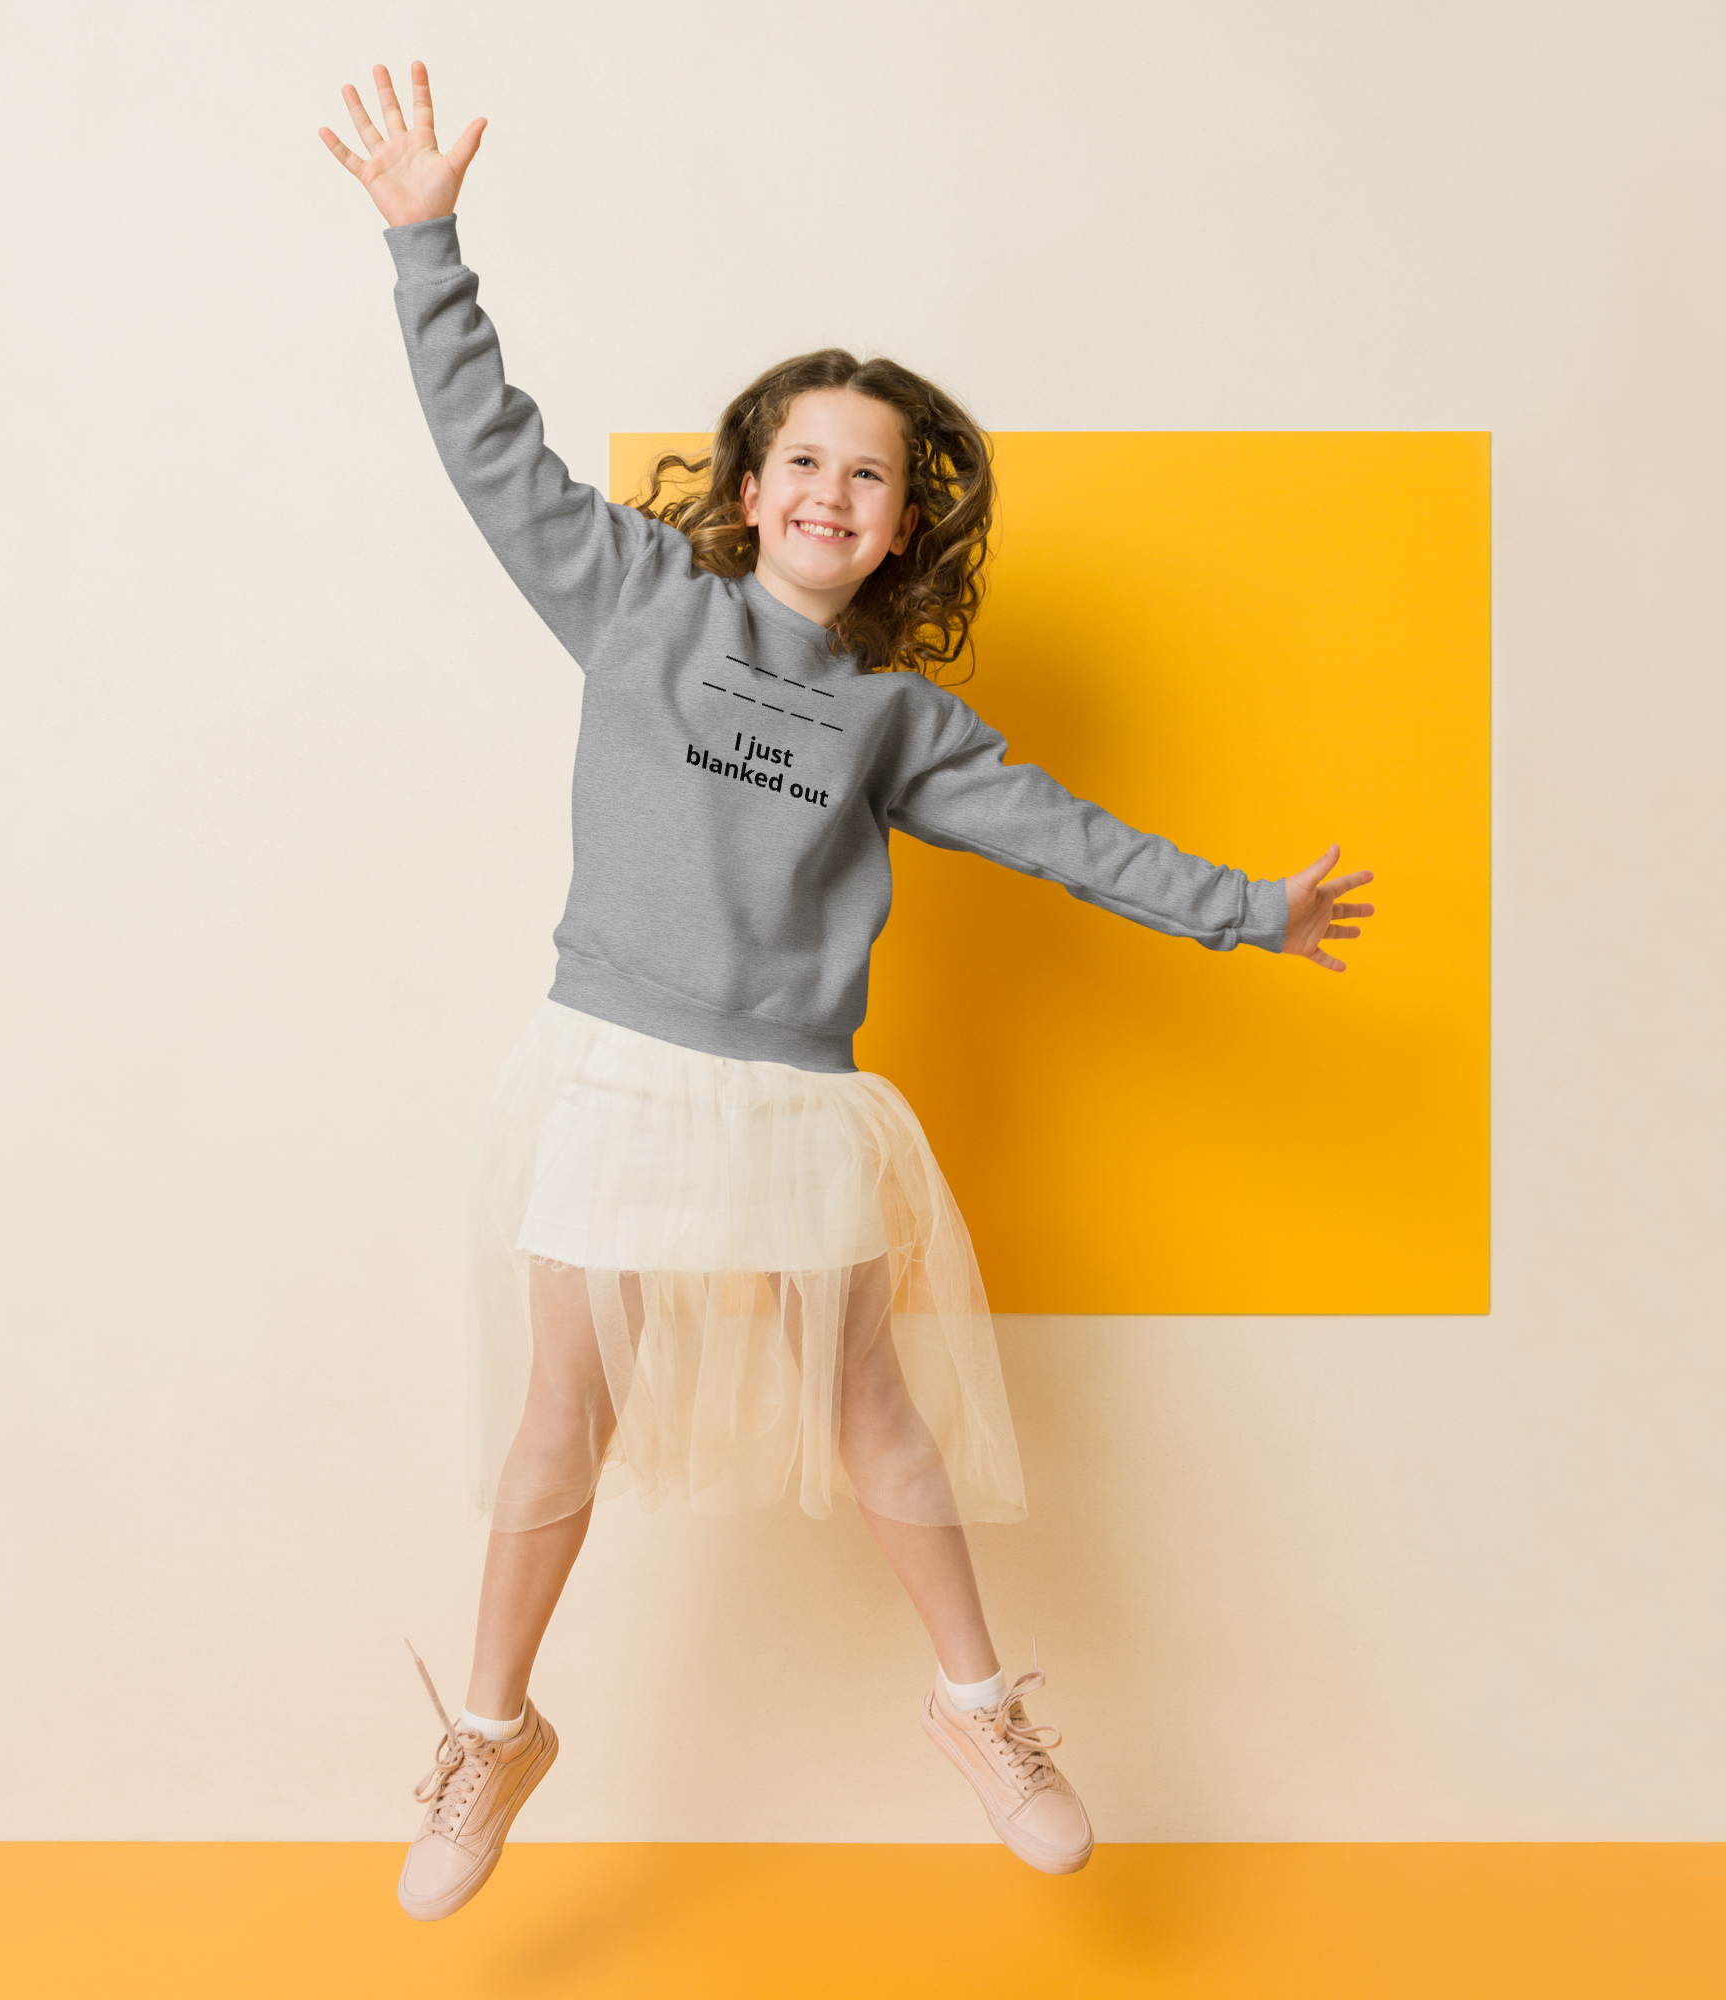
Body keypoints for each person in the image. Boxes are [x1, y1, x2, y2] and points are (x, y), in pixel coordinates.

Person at [318, 61, 1375, 1923]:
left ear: (900, 529)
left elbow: (1066, 834)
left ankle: (979, 1710)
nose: (829, 487)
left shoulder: (899, 721)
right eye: (800, 457)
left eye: (867, 473)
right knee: (565, 1408)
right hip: (619, 1070)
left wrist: (1242, 912)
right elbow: (492, 449)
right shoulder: (638, 601)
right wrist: (428, 245)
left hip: (794, 1092)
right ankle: (491, 1732)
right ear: (746, 490)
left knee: (873, 1401)